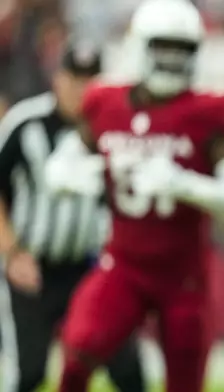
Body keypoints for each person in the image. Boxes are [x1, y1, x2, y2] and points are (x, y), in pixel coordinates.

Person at [44, 0, 224, 391]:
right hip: (123, 263)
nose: (171, 58)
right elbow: (66, 157)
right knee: (78, 349)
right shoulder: (106, 102)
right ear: (139, 46)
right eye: (162, 47)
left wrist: (184, 184)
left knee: (185, 381)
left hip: (184, 273)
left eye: (180, 49)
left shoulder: (210, 111)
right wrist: (66, 173)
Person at [0, 43, 144, 392]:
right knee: (28, 372)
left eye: (90, 79)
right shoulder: (25, 123)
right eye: (74, 79)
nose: (82, 89)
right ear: (57, 80)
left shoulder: (113, 126)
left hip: (90, 268)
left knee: (127, 369)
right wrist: (13, 253)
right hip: (32, 270)